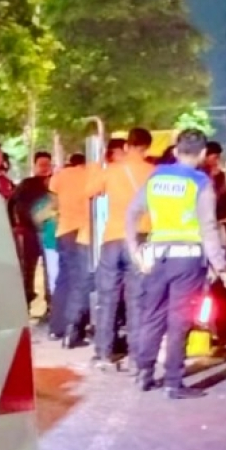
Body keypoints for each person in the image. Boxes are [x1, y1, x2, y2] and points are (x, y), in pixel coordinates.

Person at [126, 129, 226, 399]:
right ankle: (173, 382)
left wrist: (134, 250)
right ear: (203, 154)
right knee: (179, 320)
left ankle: (144, 372)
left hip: (156, 256)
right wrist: (222, 268)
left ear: (176, 151)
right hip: (187, 260)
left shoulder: (156, 176)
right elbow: (208, 228)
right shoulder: (200, 182)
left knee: (152, 315)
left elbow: (132, 213)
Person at [89, 129, 155, 370]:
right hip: (141, 238)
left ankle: (103, 354)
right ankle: (136, 357)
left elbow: (90, 191)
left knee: (107, 298)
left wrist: (97, 166)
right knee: (137, 299)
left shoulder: (112, 170)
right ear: (147, 147)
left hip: (113, 238)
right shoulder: (153, 172)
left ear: (127, 145)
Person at [49, 152, 92, 348]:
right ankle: (72, 329)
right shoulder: (90, 174)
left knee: (63, 280)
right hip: (81, 232)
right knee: (79, 282)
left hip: (63, 231)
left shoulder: (59, 176)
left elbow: (53, 204)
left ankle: (56, 327)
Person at [11, 151, 54, 308]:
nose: (44, 168)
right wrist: (15, 225)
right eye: (41, 165)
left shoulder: (55, 183)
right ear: (34, 166)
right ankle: (25, 302)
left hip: (49, 232)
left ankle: (51, 303)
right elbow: (11, 203)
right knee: (28, 269)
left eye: (47, 164)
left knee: (50, 269)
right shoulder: (26, 184)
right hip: (28, 232)